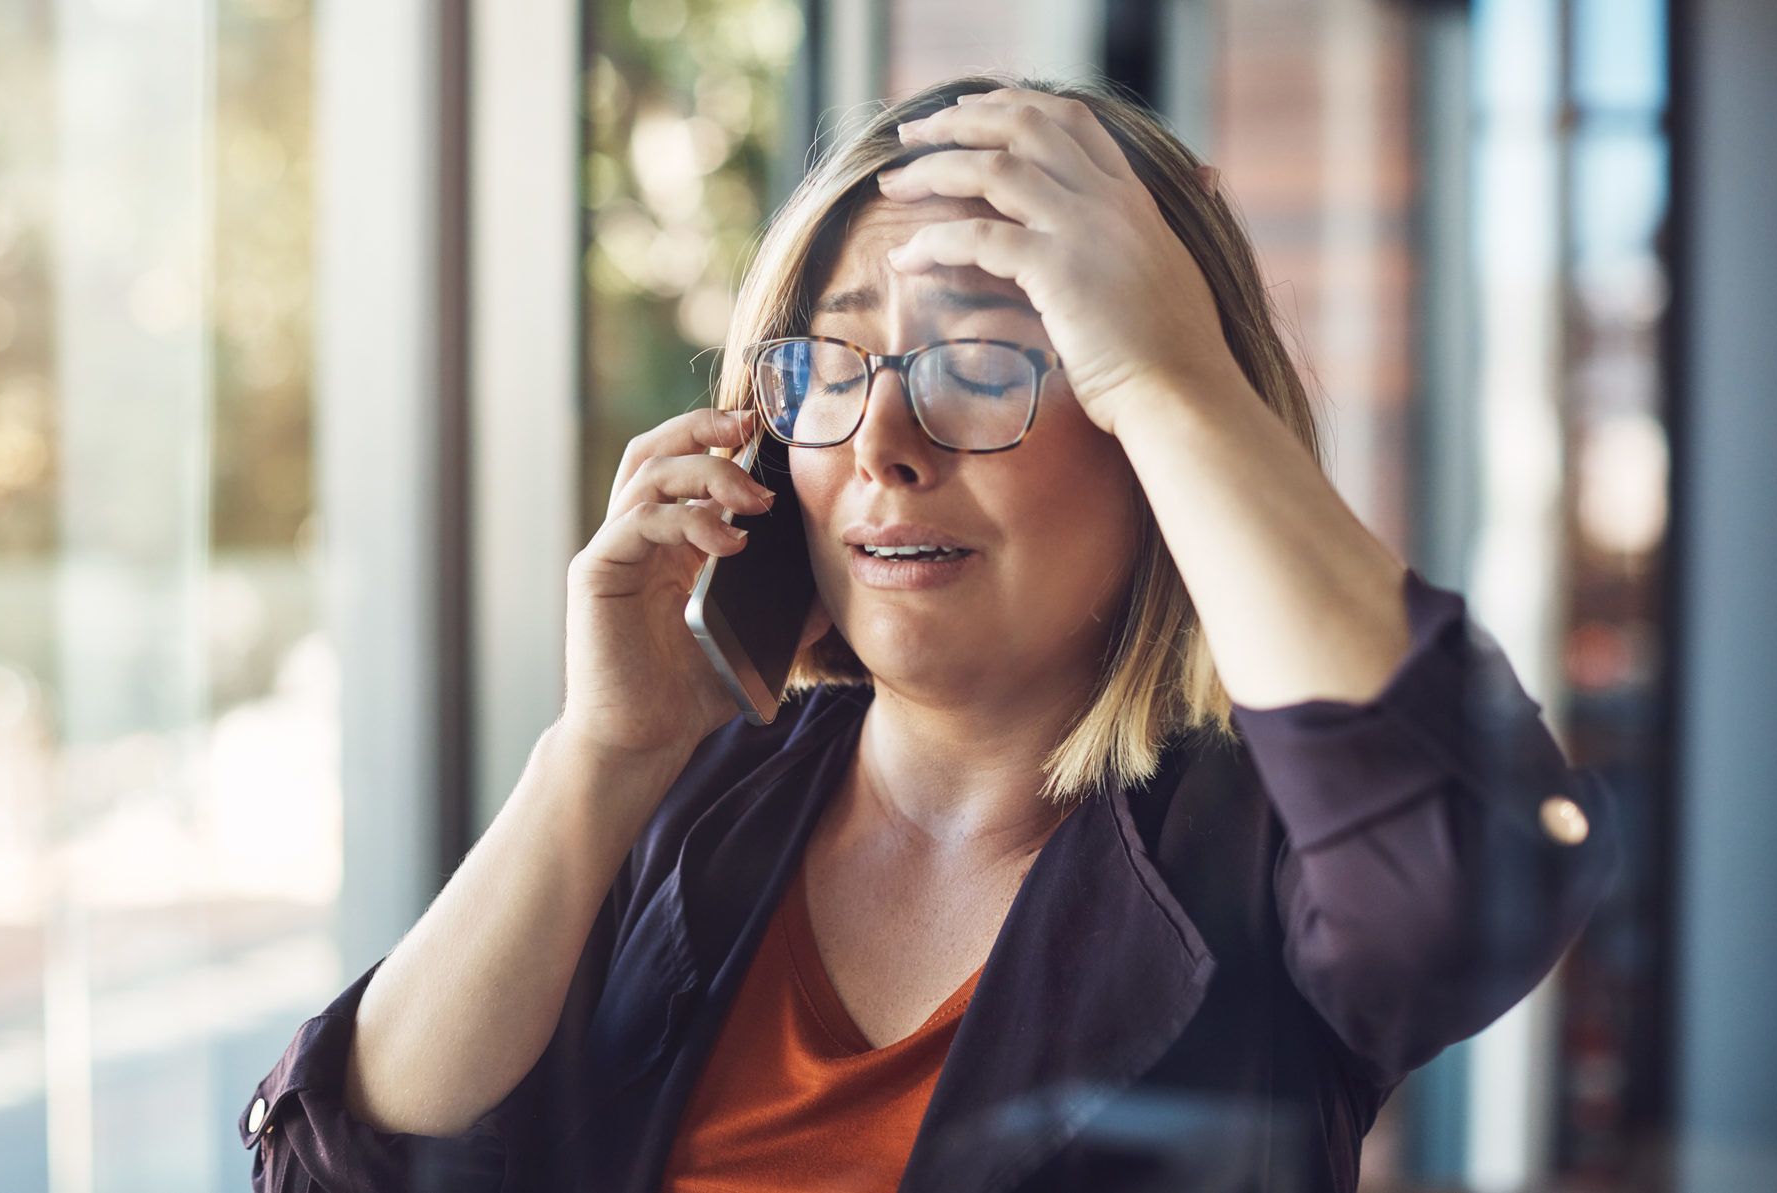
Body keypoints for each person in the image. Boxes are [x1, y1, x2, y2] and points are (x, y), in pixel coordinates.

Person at [236, 73, 1620, 1193]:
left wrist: (1171, 362)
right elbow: (341, 1167)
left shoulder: (1255, 842)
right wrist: (596, 754)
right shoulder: (685, 800)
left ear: (1148, 429)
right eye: (828, 368)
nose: (882, 443)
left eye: (982, 364)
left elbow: (1468, 875)